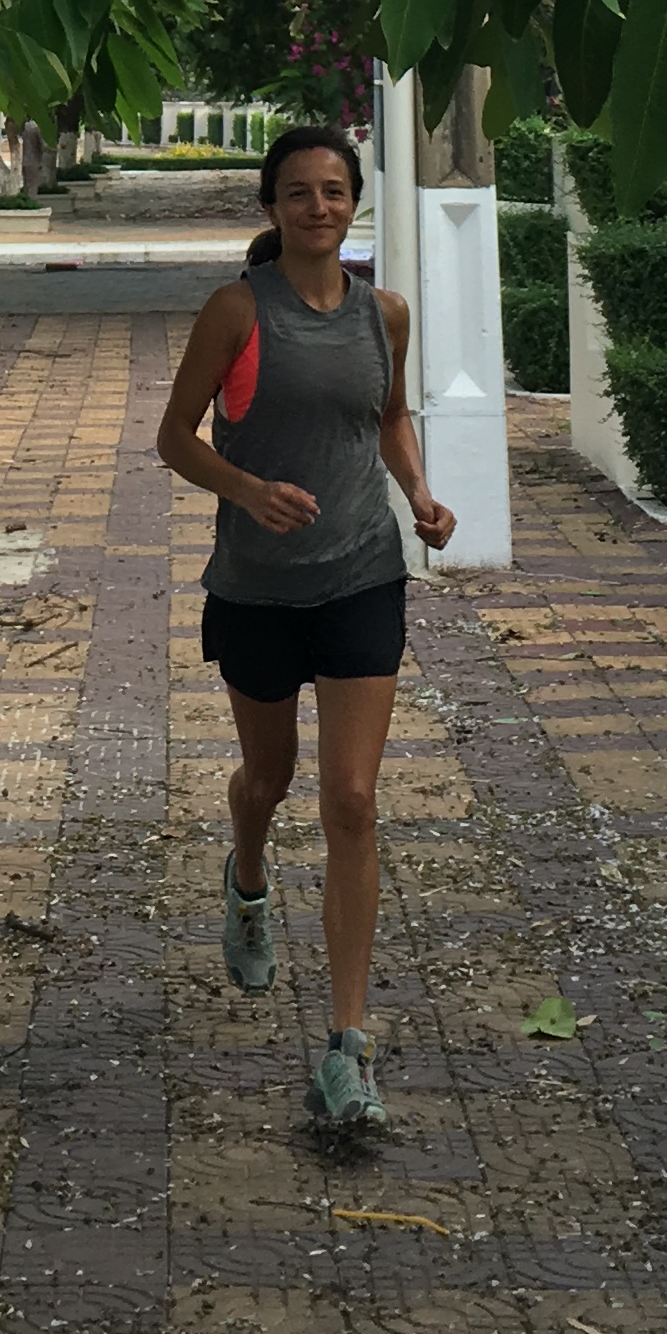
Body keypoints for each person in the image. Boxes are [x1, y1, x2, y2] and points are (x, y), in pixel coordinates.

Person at [155, 121, 455, 1136]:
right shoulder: (238, 310)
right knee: (268, 779)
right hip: (256, 587)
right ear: (271, 206)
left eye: (333, 191)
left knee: (354, 801)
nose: (317, 207)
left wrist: (419, 495)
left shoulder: (385, 313)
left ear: (352, 201)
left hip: (364, 574)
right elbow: (174, 438)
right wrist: (247, 489)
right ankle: (247, 878)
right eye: (298, 192)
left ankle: (348, 1046)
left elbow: (388, 417)